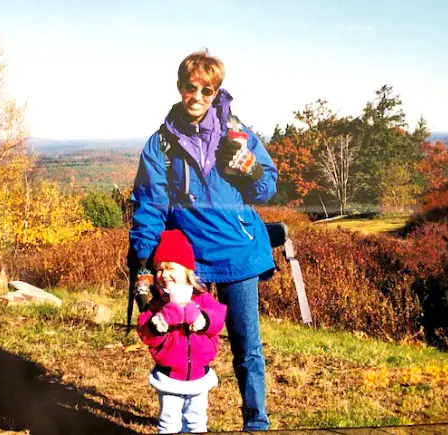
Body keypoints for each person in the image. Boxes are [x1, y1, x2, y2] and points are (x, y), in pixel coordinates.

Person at [129, 49, 278, 431]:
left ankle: (255, 423)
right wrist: (143, 263)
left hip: (238, 253)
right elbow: (149, 205)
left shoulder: (236, 135)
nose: (197, 96)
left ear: (216, 91)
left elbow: (265, 190)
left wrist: (249, 166)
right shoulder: (160, 144)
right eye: (189, 87)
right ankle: (181, 425)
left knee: (247, 347)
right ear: (180, 87)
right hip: (187, 263)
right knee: (179, 344)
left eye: (206, 90)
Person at [137, 229, 227, 434]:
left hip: (199, 373)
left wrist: (202, 319)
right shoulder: (157, 304)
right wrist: (159, 322)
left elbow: (218, 318)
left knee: (196, 422)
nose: (164, 274)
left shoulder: (201, 298)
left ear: (187, 271)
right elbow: (144, 332)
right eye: (159, 269)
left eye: (170, 268)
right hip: (169, 376)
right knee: (169, 424)